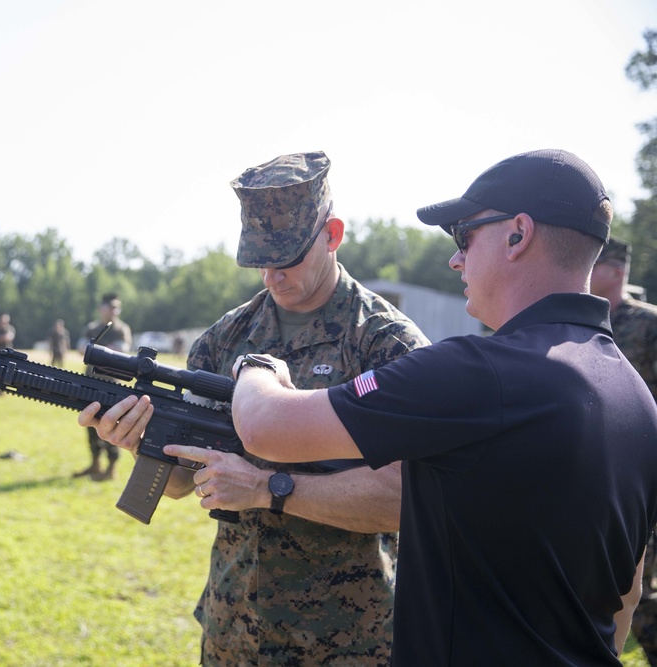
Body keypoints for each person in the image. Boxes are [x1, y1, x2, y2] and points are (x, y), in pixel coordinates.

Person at [196, 149, 657, 665]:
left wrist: (257, 366)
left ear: (518, 234)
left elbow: (264, 426)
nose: (456, 259)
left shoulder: (470, 373)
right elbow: (628, 594)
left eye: (465, 236)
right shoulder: (636, 397)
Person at [79, 151, 429, 664]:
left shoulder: (386, 345)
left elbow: (410, 499)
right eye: (259, 261)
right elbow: (178, 482)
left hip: (349, 638)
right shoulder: (225, 338)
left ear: (333, 234)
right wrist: (138, 439)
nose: (271, 277)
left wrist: (271, 489)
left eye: (286, 259)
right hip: (236, 626)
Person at [591, 237, 657, 665]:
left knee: (642, 585)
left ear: (616, 271)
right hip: (596, 468)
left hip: (645, 470)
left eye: (595, 263)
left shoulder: (648, 324)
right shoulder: (586, 321)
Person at [75, 293, 135, 483]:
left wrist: (95, 351)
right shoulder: (93, 328)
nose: (113, 311)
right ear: (102, 308)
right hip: (91, 381)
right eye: (110, 307)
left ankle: (111, 467)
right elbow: (80, 348)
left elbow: (121, 350)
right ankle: (95, 463)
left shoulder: (121, 329)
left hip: (111, 384)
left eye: (116, 308)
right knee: (90, 422)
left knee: (112, 423)